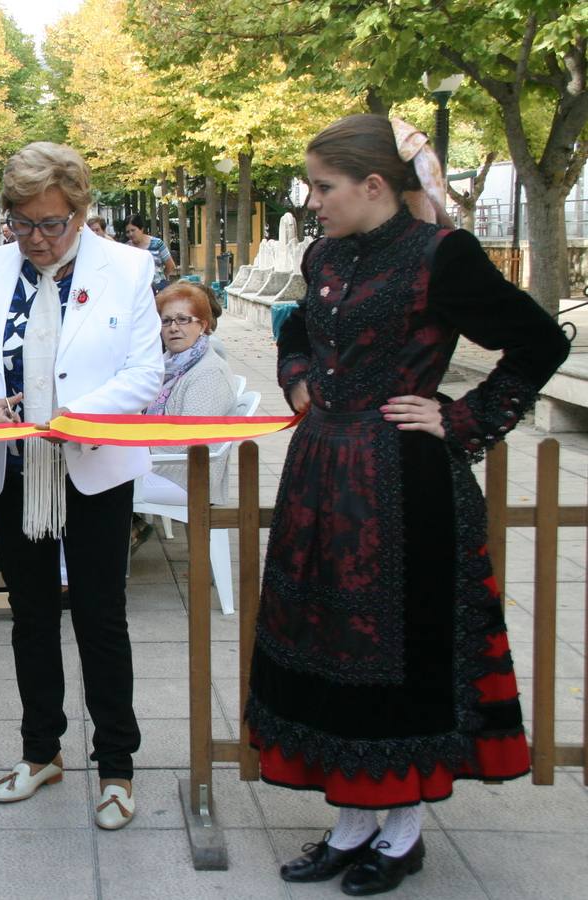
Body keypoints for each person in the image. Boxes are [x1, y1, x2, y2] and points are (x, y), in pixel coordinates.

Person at [250, 114, 569, 896]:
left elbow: (540, 341)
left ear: (373, 186)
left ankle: (401, 836)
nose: (312, 199)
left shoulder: (441, 257)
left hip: (405, 486)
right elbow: (293, 324)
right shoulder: (322, 253)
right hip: (320, 476)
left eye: (323, 187)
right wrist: (296, 378)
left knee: (400, 650)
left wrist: (459, 417)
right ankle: (352, 825)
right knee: (327, 643)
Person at [0, 141, 163, 831]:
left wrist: (80, 418)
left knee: (101, 616)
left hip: (93, 467)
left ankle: (117, 766)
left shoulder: (126, 267)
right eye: (21, 222)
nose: (35, 238)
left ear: (81, 211)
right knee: (31, 615)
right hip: (14, 468)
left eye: (52, 224)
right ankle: (42, 753)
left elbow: (144, 374)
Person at [138, 282, 238, 506]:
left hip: (187, 477)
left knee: (103, 482)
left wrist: (129, 447)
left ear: (202, 325)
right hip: (161, 464)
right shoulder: (170, 362)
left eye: (183, 319)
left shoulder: (210, 372)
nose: (173, 328)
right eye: (166, 321)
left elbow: (186, 439)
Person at [124, 214, 175, 293]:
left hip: (158, 290)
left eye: (133, 230)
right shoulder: (126, 248)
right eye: (128, 232)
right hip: (137, 291)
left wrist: (160, 278)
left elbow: (170, 266)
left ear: (141, 229)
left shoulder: (157, 244)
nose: (130, 234)